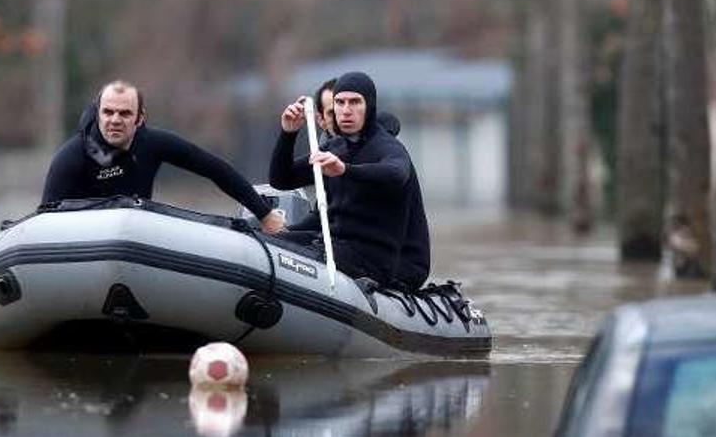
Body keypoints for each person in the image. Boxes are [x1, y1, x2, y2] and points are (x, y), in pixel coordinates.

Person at [42, 80, 285, 234]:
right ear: (98, 114)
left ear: (140, 118)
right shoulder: (71, 157)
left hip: (136, 241)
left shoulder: (152, 143)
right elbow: (43, 221)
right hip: (81, 244)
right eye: (108, 112)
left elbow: (214, 168)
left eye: (125, 113)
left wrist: (264, 214)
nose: (115, 120)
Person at [269, 72, 430, 290]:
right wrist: (288, 134)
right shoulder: (335, 148)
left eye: (355, 102)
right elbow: (281, 179)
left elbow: (396, 173)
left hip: (381, 260)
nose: (346, 110)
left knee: (305, 253)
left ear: (369, 107)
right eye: (340, 102)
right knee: (270, 244)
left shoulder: (387, 146)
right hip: (339, 245)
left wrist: (345, 170)